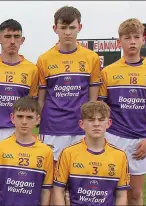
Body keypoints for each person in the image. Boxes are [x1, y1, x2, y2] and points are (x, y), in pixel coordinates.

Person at [98, 18, 146, 205]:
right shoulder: (109, 72)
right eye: (127, 38)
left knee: (135, 194)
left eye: (136, 37)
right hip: (113, 138)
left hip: (140, 142)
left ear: (143, 40)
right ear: (120, 42)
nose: (132, 41)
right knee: (110, 191)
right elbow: (102, 109)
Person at [37, 6, 102, 162]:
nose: (67, 32)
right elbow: (41, 98)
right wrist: (40, 121)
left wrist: (91, 123)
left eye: (72, 27)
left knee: (79, 179)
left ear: (79, 27)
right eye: (63, 27)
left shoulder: (91, 58)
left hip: (80, 127)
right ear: (55, 28)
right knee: (52, 181)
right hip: (52, 128)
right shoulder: (44, 59)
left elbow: (93, 99)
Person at [0, 19, 39, 159]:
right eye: (7, 36)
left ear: (22, 40)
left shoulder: (32, 69)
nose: (12, 41)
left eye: (16, 37)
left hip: (18, 130)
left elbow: (32, 103)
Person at [52, 101, 129, 205]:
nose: (96, 124)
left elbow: (122, 195)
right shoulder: (68, 153)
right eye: (91, 120)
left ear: (109, 123)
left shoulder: (120, 156)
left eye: (101, 120)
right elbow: (58, 190)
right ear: (81, 124)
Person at [0, 96, 54, 205]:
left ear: (38, 119)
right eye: (20, 116)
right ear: (12, 118)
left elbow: (45, 190)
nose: (24, 122)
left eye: (29, 117)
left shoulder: (46, 152)